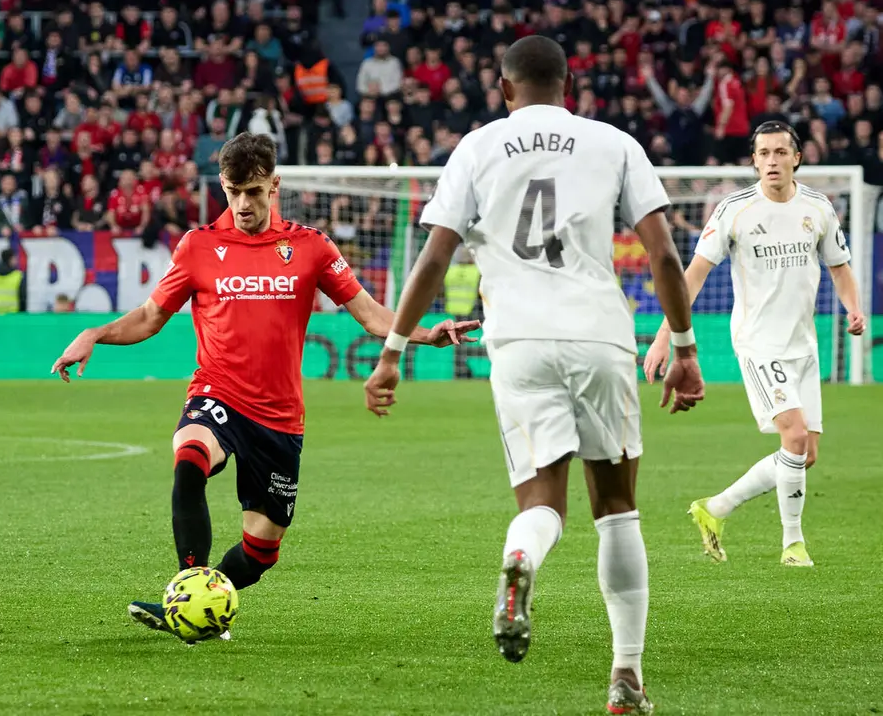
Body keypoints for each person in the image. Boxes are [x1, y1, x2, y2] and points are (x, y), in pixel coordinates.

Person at [361, 37, 705, 714]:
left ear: (503, 87)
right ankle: (627, 678)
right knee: (617, 509)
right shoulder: (613, 143)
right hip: (600, 336)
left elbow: (434, 259)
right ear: (568, 83)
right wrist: (686, 347)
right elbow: (664, 254)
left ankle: (522, 563)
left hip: (516, 341)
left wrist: (394, 350)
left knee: (541, 502)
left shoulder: (478, 147)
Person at [50, 133, 478, 639]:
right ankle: (188, 591)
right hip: (217, 394)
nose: (242, 204)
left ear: (274, 185)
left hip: (279, 417)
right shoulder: (199, 246)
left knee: (261, 551)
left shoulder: (311, 247)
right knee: (189, 457)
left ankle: (203, 603)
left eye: (253, 191)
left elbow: (369, 314)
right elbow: (149, 317)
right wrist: (94, 333)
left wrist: (425, 334)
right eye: (232, 192)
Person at [644, 121, 864, 568]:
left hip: (803, 342)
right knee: (796, 436)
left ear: (797, 158)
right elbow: (694, 275)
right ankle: (793, 544)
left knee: (806, 454)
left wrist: (853, 307)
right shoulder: (734, 210)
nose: (772, 161)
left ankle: (716, 508)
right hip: (758, 342)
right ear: (754, 160)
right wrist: (665, 335)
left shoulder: (818, 207)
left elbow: (840, 267)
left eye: (781, 152)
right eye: (763, 153)